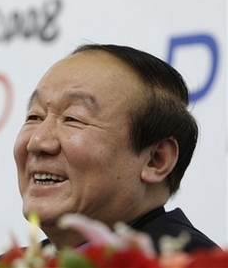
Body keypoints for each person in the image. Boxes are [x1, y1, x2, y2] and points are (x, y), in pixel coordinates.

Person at [12, 43, 219, 254]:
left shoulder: (189, 261)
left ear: (156, 160)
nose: (37, 141)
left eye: (72, 119)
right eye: (34, 117)